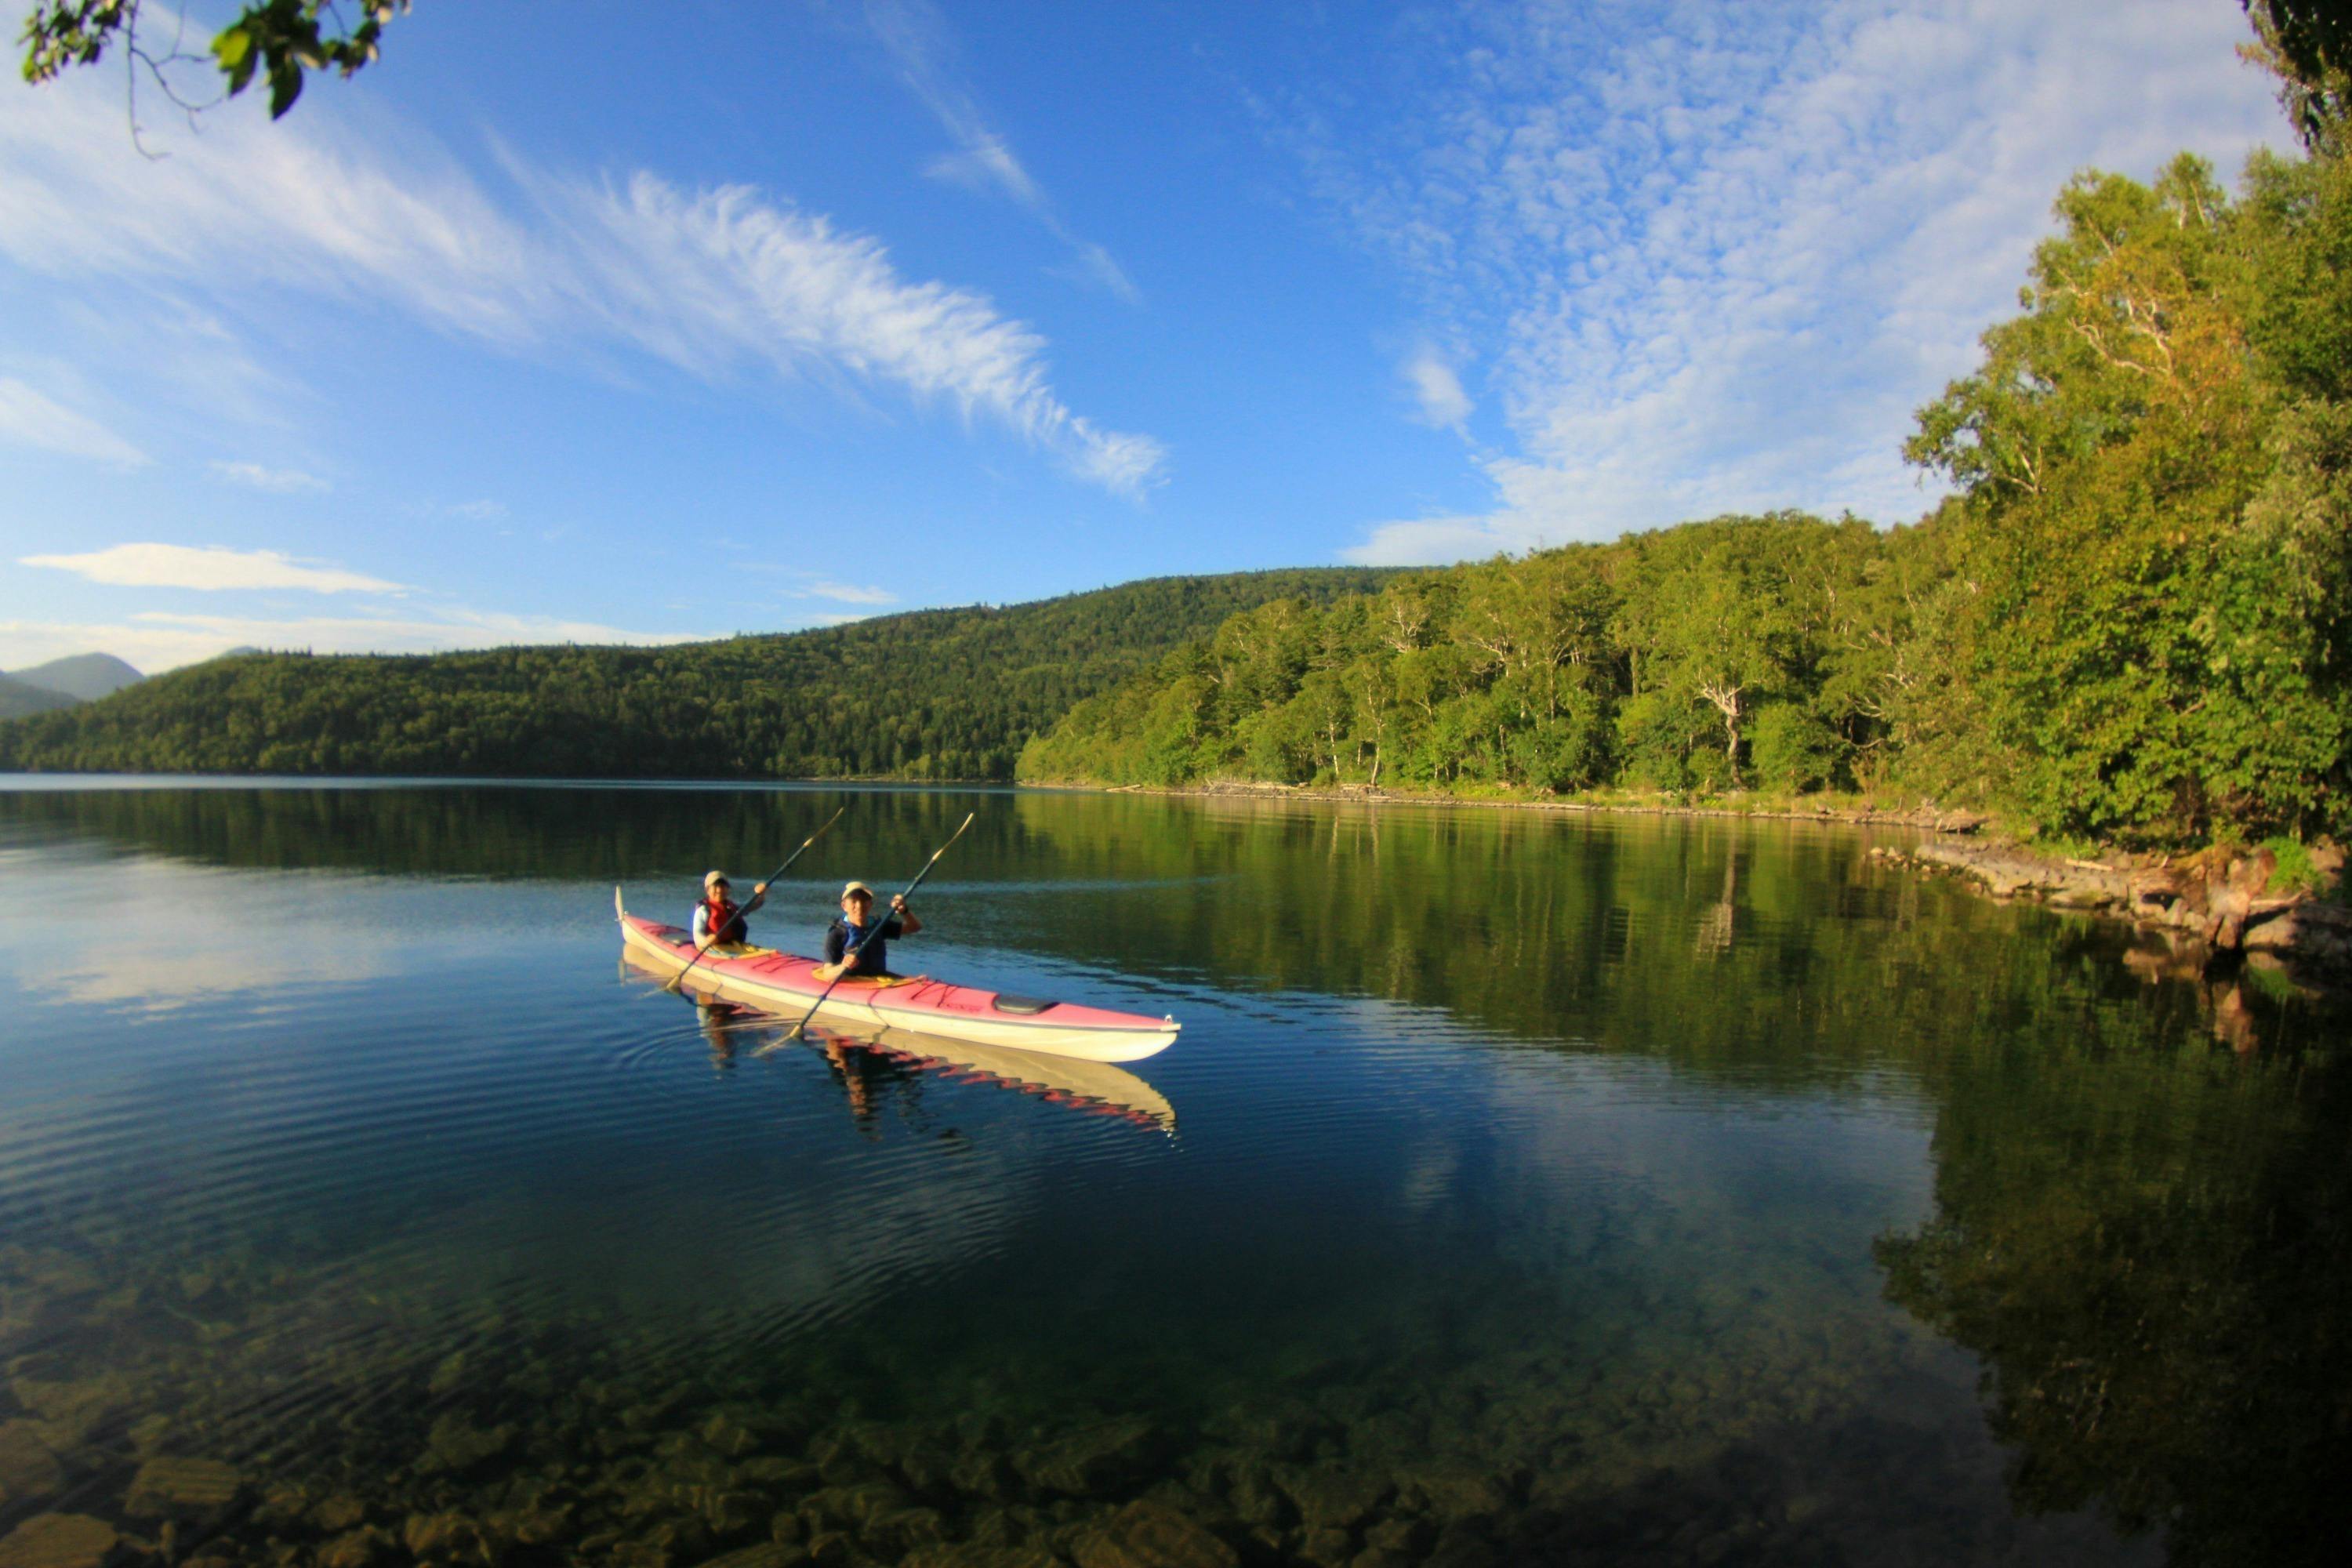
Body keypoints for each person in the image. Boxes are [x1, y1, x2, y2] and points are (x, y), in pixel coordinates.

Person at [815, 880, 921, 982]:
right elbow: (827, 974)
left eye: (864, 900)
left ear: (870, 904)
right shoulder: (836, 933)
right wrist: (844, 966)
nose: (860, 905)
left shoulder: (879, 925)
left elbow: (915, 927)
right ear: (844, 906)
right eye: (854, 901)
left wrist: (904, 911)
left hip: (879, 980)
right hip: (851, 983)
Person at [692, 869, 768, 949]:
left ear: (728, 889)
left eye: (723, 886)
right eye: (715, 886)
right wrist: (706, 941)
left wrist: (761, 895)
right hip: (712, 949)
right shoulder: (703, 910)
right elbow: (697, 934)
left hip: (733, 948)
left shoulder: (732, 907)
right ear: (707, 890)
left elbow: (755, 905)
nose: (719, 890)